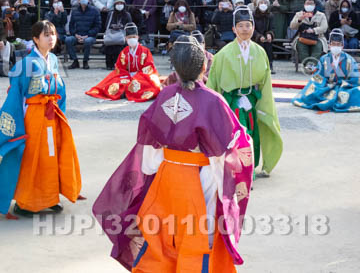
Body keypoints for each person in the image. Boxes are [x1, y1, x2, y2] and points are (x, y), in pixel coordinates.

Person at [93, 37, 254, 272]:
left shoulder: (165, 95)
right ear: (204, 66)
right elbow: (229, 146)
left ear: (175, 68)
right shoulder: (213, 101)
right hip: (201, 178)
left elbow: (150, 150)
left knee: (162, 234)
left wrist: (158, 164)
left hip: (166, 175)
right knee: (197, 235)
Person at [0, 20, 82, 218]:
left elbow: (61, 90)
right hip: (33, 115)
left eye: (53, 34)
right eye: (46, 35)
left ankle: (50, 198)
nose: (51, 38)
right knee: (33, 159)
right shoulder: (26, 64)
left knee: (51, 156)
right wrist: (18, 124)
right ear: (35, 39)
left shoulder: (53, 59)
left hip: (52, 114)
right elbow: (17, 95)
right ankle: (26, 202)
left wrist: (61, 114)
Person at [208, 6, 283, 176]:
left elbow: (265, 82)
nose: (244, 29)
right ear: (233, 29)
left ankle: (250, 168)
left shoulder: (260, 52)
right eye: (240, 26)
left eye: (248, 25)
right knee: (238, 133)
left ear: (253, 27)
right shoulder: (223, 54)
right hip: (232, 99)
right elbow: (213, 82)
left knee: (253, 133)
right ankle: (239, 170)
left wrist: (264, 104)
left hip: (252, 98)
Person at [293, 29, 360, 112]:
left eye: (338, 44)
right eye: (333, 44)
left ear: (342, 46)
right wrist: (326, 84)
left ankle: (333, 98)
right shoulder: (324, 59)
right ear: (329, 45)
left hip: (344, 87)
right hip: (327, 86)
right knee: (312, 88)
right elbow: (318, 76)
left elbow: (355, 78)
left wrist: (342, 84)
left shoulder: (349, 60)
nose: (336, 46)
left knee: (358, 93)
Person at [86, 23, 162, 102]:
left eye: (134, 37)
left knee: (151, 85)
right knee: (112, 82)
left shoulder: (145, 51)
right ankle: (126, 91)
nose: (132, 39)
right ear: (126, 39)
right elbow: (119, 68)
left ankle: (125, 91)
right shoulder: (124, 52)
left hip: (142, 76)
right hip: (126, 75)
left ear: (137, 37)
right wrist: (127, 76)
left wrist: (136, 77)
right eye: (129, 37)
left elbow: (149, 67)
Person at [64, 0, 101, 69]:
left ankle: (85, 61)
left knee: (88, 41)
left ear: (88, 0)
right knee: (68, 40)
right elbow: (71, 25)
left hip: (90, 36)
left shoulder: (95, 11)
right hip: (77, 35)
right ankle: (75, 61)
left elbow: (97, 26)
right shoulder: (74, 11)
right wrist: (75, 35)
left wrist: (87, 35)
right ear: (78, 0)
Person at [289, 0, 327, 64]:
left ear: (315, 5)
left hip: (318, 37)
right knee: (302, 49)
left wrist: (314, 30)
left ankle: (312, 64)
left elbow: (324, 27)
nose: (309, 5)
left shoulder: (321, 15)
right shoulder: (299, 14)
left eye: (311, 4)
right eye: (307, 4)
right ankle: (306, 65)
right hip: (302, 37)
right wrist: (299, 20)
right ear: (304, 5)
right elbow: (292, 26)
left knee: (317, 48)